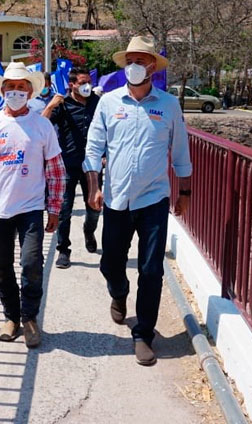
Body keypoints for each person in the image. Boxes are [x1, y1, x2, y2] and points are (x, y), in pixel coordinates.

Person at [83, 36, 192, 366]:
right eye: (129, 60)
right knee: (110, 262)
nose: (134, 65)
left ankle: (144, 333)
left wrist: (184, 192)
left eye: (141, 60)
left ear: (152, 67)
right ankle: (119, 292)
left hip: (153, 199)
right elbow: (93, 150)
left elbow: (181, 152)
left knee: (151, 269)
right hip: (116, 199)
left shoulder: (169, 105)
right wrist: (93, 187)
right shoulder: (109, 103)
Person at [0, 62, 66, 348]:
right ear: (3, 91)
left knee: (32, 262)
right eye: (11, 87)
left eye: (22, 87)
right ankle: (11, 316)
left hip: (31, 208)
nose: (16, 92)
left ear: (31, 92)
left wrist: (54, 208)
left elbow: (55, 170)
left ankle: (30, 317)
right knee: (2, 266)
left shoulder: (42, 126)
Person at [41, 67, 102, 269]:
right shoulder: (63, 104)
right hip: (66, 165)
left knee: (94, 208)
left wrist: (106, 155)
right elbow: (40, 125)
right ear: (72, 84)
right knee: (64, 209)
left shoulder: (98, 102)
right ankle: (63, 250)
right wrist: (51, 105)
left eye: (88, 82)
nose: (87, 86)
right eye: (82, 82)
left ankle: (89, 230)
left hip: (92, 166)